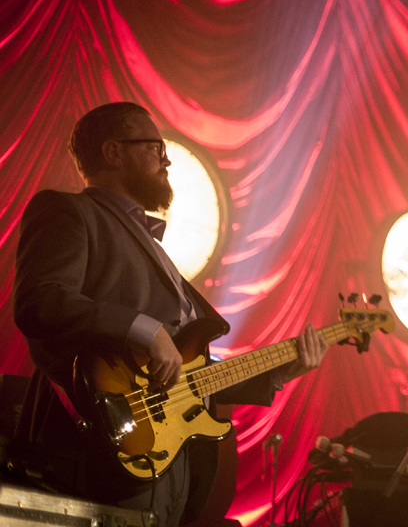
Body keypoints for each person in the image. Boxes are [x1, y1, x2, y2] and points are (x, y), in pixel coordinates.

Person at [13, 102, 329, 527]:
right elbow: (40, 300)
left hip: (173, 461)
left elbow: (185, 374)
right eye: (155, 147)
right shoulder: (68, 210)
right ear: (113, 152)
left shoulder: (158, 249)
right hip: (101, 447)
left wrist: (277, 372)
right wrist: (143, 329)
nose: (166, 159)